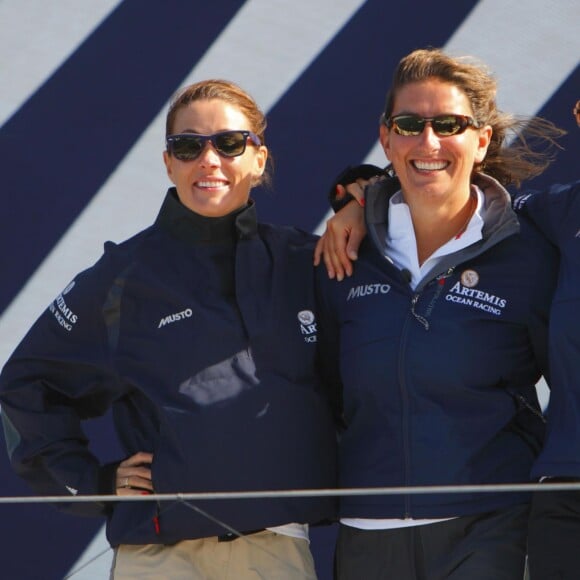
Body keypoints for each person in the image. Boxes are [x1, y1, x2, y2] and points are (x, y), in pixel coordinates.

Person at [0, 79, 338, 579]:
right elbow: (26, 385)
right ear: (168, 163)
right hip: (160, 554)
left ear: (258, 158)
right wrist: (89, 481)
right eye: (187, 145)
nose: (208, 160)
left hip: (275, 547)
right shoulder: (122, 277)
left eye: (228, 143)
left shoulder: (307, 262)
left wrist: (359, 194)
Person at [314, 48, 564, 579]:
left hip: (491, 525)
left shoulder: (530, 251)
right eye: (410, 124)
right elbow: (317, 387)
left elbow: (568, 380)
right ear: (386, 138)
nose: (428, 142)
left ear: (482, 139)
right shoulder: (343, 252)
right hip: (366, 528)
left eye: (448, 124)